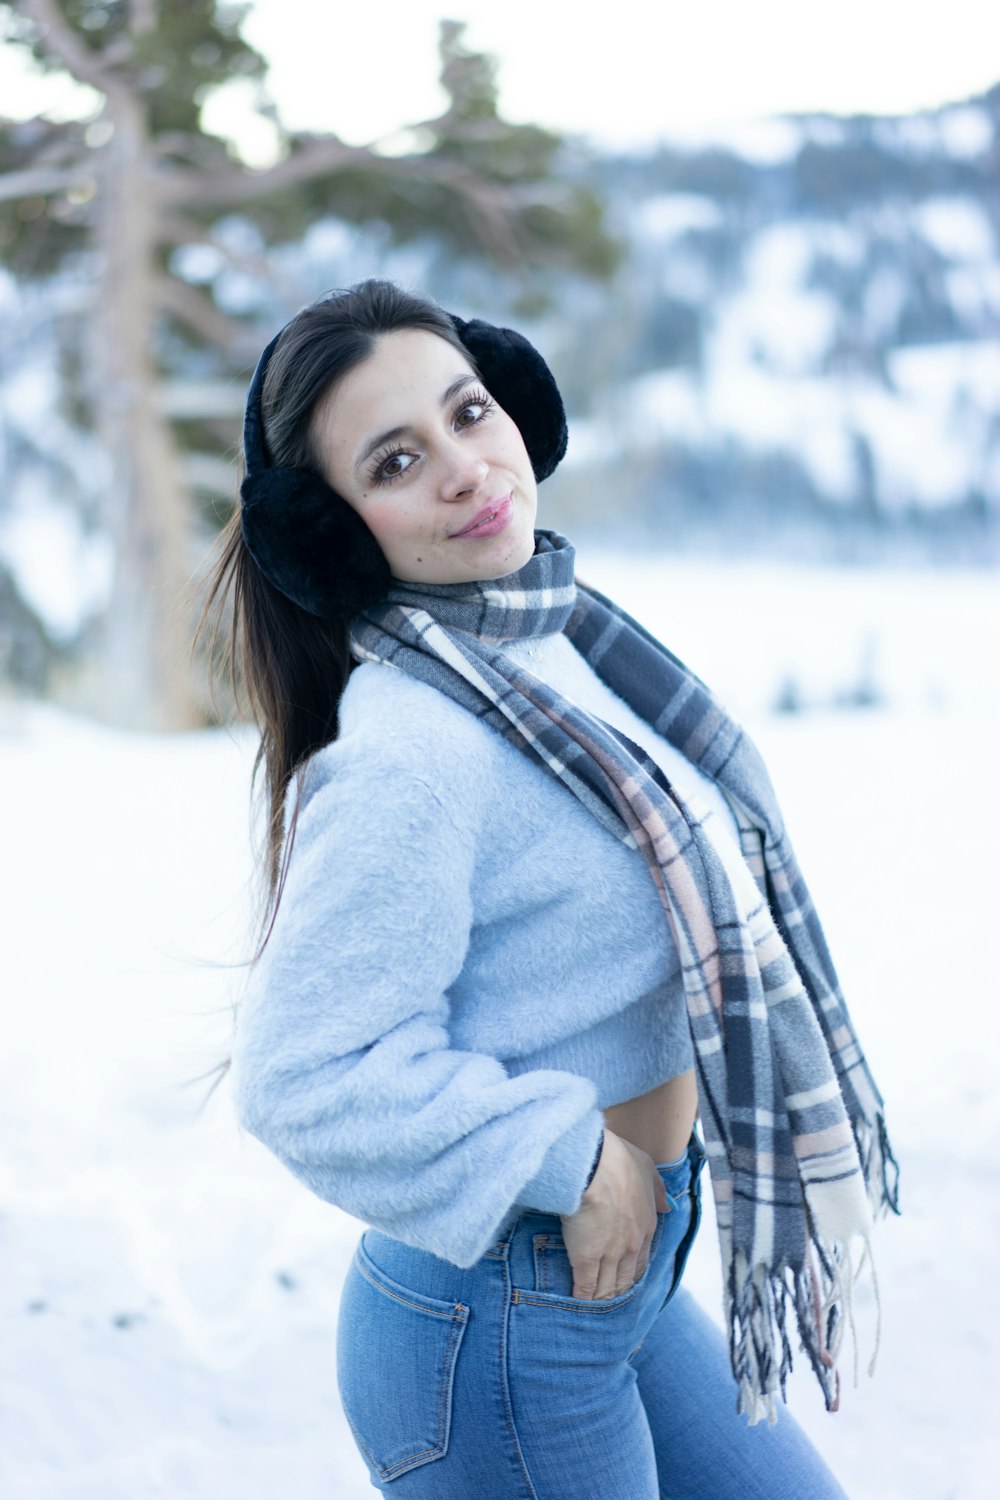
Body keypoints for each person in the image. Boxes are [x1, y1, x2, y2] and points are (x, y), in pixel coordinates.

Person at [203, 278, 899, 1500]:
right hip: (504, 1316)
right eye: (398, 460)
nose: (467, 470)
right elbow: (303, 1073)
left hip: (617, 1287)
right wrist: (577, 1161)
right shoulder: (414, 750)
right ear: (334, 529)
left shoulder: (559, 649)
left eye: (470, 414)